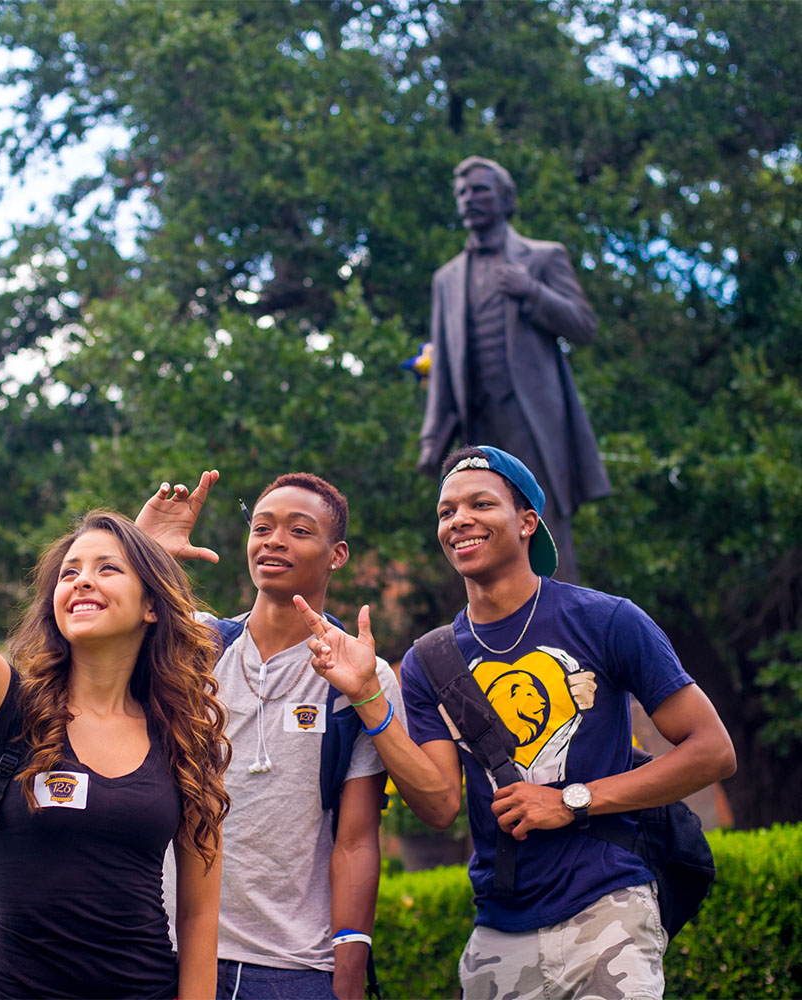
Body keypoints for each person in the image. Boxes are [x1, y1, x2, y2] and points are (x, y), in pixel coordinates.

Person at [295, 444, 736, 1000]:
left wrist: (572, 799)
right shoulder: (431, 660)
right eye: (446, 511)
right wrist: (366, 698)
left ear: (527, 521)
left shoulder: (606, 620)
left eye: (481, 503)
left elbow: (713, 751)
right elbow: (438, 807)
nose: (460, 520)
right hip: (499, 928)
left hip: (608, 908)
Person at [0, 398, 230, 1000]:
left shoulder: (186, 737)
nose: (81, 579)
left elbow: (197, 919)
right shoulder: (7, 711)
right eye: (69, 572)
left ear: (151, 607)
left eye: (107, 569)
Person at [136, 470, 403, 1000]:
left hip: (292, 968)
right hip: (166, 953)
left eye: (300, 530)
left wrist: (348, 967)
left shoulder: (362, 671)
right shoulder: (194, 645)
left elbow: (354, 839)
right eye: (262, 527)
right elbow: (84, 628)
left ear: (337, 554)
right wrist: (143, 554)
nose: (274, 540)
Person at [416, 154, 612, 583]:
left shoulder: (543, 258)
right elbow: (444, 364)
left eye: (481, 189)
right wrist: (433, 438)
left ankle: (562, 625)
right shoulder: (447, 278)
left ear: (506, 199)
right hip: (477, 425)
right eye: (463, 192)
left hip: (533, 420)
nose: (470, 198)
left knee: (541, 521)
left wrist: (532, 292)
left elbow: (583, 326)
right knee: (473, 526)